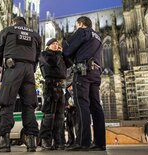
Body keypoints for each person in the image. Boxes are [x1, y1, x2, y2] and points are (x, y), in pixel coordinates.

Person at [0, 16, 41, 152]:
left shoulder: (8, 30)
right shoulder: (35, 35)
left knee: (6, 103)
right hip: (29, 70)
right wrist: (31, 67)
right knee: (29, 105)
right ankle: (31, 141)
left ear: (13, 22)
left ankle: (4, 140)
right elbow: (38, 55)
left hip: (13, 67)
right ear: (25, 23)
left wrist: (2, 64)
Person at [62, 16, 105, 151]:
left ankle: (83, 142)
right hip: (96, 73)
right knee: (96, 107)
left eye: (77, 25)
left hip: (83, 72)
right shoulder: (97, 36)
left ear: (81, 24)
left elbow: (67, 50)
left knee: (82, 106)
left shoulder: (82, 31)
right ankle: (100, 142)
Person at [38, 38, 72, 151]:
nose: (56, 45)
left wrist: (64, 54)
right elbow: (52, 62)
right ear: (48, 46)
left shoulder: (59, 55)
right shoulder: (44, 54)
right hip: (50, 86)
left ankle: (59, 141)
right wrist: (58, 53)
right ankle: (45, 141)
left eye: (57, 44)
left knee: (60, 116)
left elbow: (69, 64)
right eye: (53, 44)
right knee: (49, 115)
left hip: (61, 87)